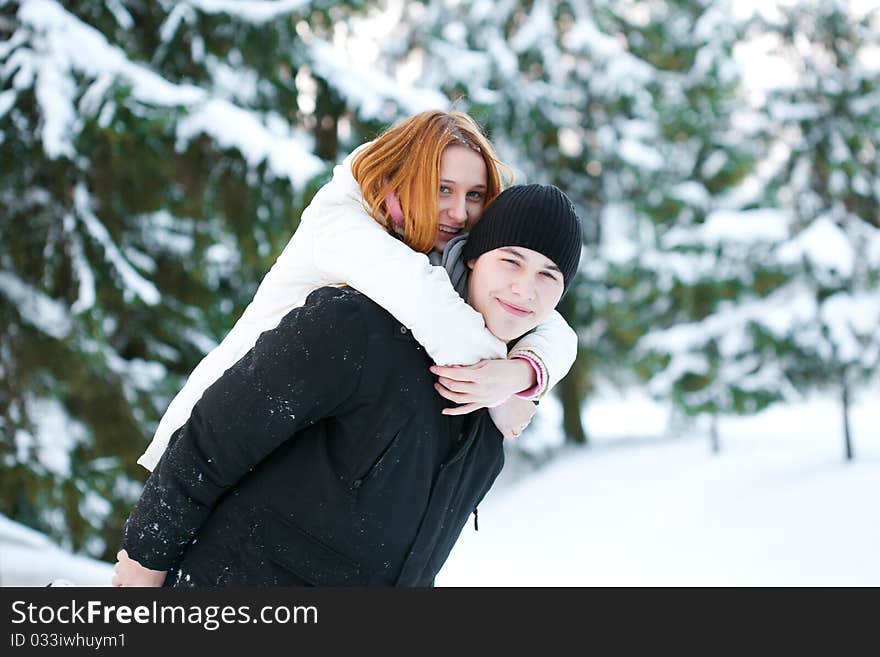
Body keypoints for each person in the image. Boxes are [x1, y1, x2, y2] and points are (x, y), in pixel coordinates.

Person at [114, 183, 582, 587]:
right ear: (474, 258)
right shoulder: (359, 327)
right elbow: (212, 440)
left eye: (548, 275)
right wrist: (144, 562)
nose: (525, 289)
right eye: (511, 261)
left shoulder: (497, 401)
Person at [137, 111, 577, 472]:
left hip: (286, 451)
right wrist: (499, 389)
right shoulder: (342, 223)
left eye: (476, 195)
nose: (459, 211)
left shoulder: (440, 245)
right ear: (407, 177)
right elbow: (431, 307)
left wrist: (524, 374)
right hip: (207, 439)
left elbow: (548, 321)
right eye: (443, 188)